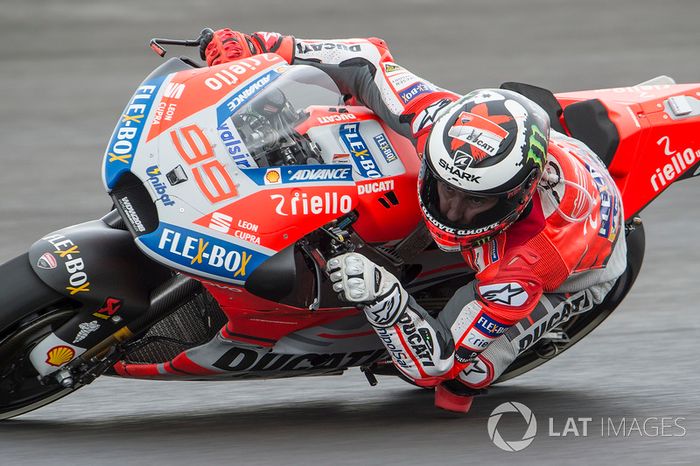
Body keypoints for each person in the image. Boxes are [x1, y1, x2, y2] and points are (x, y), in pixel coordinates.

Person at [202, 29, 627, 412]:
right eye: (446, 189)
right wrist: (259, 48)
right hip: (547, 156)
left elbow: (435, 364)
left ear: (516, 196)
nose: (454, 213)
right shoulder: (436, 120)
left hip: (586, 266)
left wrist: (386, 300)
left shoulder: (525, 267)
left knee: (462, 379)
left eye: (475, 203)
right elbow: (366, 60)